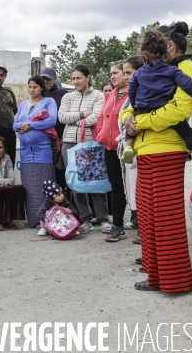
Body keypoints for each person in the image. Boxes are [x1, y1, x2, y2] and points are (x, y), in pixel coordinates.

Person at [120, 22, 192, 293]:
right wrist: (128, 117)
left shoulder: (184, 67)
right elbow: (128, 106)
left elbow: (178, 110)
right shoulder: (149, 72)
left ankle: (175, 281)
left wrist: (138, 121)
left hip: (167, 149)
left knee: (166, 219)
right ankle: (155, 277)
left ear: (168, 45)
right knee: (148, 217)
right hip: (144, 150)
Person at [121, 30, 192, 170]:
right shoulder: (172, 70)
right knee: (187, 132)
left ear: (144, 56)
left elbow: (132, 91)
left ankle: (128, 147)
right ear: (165, 50)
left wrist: (136, 108)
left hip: (159, 141)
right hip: (160, 111)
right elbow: (188, 84)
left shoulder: (139, 73)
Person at [58, 65, 110, 233]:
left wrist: (73, 119)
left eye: (78, 78)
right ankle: (85, 219)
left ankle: (103, 218)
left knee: (95, 181)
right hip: (69, 142)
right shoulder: (67, 97)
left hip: (89, 142)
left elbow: (96, 118)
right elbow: (61, 117)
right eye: (73, 78)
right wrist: (81, 115)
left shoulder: (98, 96)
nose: (75, 81)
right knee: (75, 183)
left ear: (88, 77)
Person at [13, 75, 57, 229]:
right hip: (26, 153)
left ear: (42, 88)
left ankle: (45, 220)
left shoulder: (48, 102)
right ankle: (33, 221)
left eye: (35, 87)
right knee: (30, 189)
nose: (32, 90)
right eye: (30, 86)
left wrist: (30, 125)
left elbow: (52, 120)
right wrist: (21, 125)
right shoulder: (23, 104)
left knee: (43, 187)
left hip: (43, 152)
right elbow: (14, 125)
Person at [94, 61, 130, 242]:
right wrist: (100, 133)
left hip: (127, 148)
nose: (112, 76)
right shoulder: (111, 95)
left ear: (126, 74)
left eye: (116, 73)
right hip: (109, 148)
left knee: (132, 187)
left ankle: (139, 224)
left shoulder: (134, 93)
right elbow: (102, 117)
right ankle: (117, 227)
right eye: (111, 73)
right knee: (116, 187)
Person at [118, 56, 142, 234]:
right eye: (124, 73)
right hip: (127, 145)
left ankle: (141, 222)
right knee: (131, 185)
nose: (125, 77)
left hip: (139, 147)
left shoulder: (143, 91)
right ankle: (137, 219)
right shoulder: (131, 93)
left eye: (129, 73)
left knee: (139, 188)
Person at [41, 67, 69, 191]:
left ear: (55, 79)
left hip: (59, 139)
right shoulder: (40, 94)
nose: (46, 81)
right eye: (43, 79)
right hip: (42, 140)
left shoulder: (63, 94)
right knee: (46, 170)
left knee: (60, 171)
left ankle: (62, 199)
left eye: (49, 79)